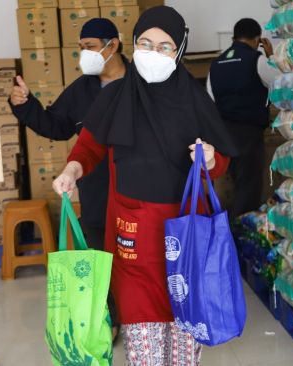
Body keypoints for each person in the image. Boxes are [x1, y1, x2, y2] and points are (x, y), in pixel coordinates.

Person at [51, 6, 238, 365]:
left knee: (184, 339)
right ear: (133, 45)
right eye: (145, 43)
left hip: (185, 234)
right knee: (144, 345)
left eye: (164, 46)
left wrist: (211, 160)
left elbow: (221, 161)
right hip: (132, 234)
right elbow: (89, 146)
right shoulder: (115, 97)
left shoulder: (195, 100)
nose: (153, 53)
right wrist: (72, 171)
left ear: (179, 51)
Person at [8, 18, 126, 338]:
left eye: (89, 47)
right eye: (81, 48)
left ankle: (148, 320)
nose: (83, 55)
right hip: (97, 190)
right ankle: (110, 320)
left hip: (139, 191)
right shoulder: (82, 89)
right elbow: (56, 126)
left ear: (112, 45)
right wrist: (25, 106)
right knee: (101, 261)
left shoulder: (140, 83)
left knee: (140, 260)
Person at [206, 18, 281, 217]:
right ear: (257, 39)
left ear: (234, 37)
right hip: (248, 134)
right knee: (248, 185)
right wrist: (271, 56)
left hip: (223, 134)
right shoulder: (257, 59)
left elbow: (210, 99)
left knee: (227, 186)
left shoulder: (216, 63)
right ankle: (243, 233)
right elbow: (279, 84)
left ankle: (226, 230)